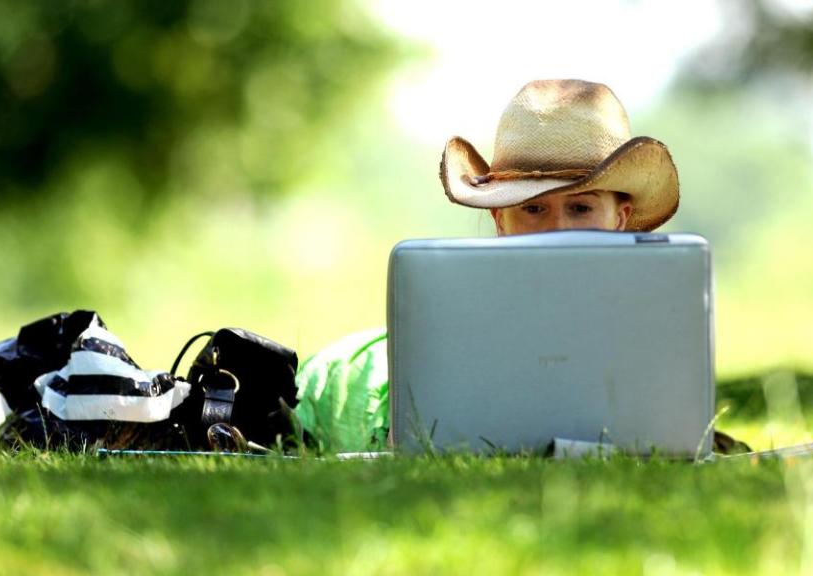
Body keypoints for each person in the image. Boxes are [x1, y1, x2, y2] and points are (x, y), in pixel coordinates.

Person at [294, 79, 744, 454]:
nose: (557, 228)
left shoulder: (655, 326)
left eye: (581, 208)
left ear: (620, 218)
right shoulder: (407, 348)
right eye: (533, 210)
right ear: (500, 221)